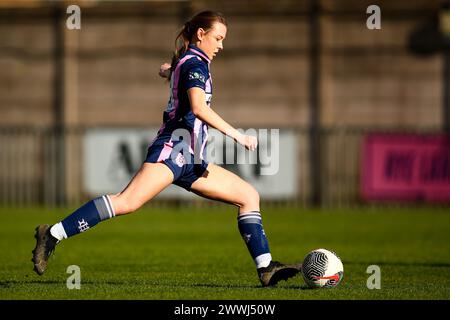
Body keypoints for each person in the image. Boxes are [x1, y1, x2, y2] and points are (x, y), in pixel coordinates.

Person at [32, 10, 301, 287]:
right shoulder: (196, 63)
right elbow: (198, 107)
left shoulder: (190, 61)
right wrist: (237, 134)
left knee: (248, 195)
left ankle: (266, 268)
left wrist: (170, 70)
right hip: (174, 150)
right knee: (127, 202)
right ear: (201, 34)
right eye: (218, 38)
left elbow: (181, 75)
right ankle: (52, 233)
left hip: (192, 158)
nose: (221, 45)